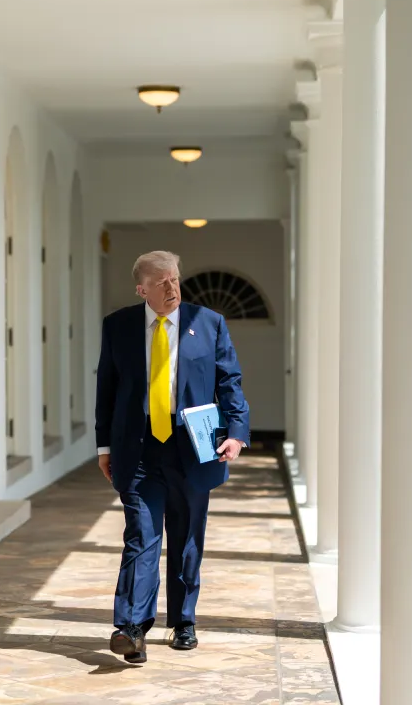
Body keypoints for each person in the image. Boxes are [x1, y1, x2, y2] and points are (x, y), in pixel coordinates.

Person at [95, 250, 250, 663]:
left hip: (193, 448)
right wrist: (104, 447)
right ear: (141, 289)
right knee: (141, 536)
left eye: (175, 279)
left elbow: (229, 382)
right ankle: (131, 629)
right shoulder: (118, 326)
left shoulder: (209, 323)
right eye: (161, 282)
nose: (172, 288)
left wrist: (236, 434)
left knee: (186, 538)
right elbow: (107, 389)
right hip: (139, 448)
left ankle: (184, 620)